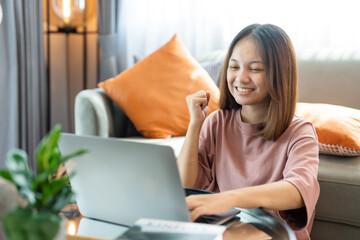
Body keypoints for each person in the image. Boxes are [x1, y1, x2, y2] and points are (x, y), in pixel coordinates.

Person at [177, 23, 319, 240]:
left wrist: (229, 198)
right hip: (228, 233)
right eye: (234, 67)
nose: (241, 78)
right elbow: (185, 186)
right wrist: (195, 125)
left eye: (255, 69)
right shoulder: (217, 123)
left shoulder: (300, 132)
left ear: (280, 74)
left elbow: (298, 191)